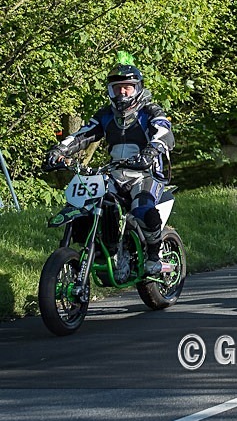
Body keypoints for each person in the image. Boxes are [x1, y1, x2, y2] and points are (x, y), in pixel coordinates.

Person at [44, 55, 175, 274]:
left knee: (143, 210)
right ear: (110, 90)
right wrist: (59, 151)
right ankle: (107, 250)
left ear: (137, 89)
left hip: (146, 173)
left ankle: (153, 256)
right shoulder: (106, 115)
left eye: (127, 87)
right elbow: (84, 135)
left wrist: (152, 150)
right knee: (91, 208)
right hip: (114, 173)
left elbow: (164, 132)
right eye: (117, 88)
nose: (122, 92)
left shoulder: (150, 112)